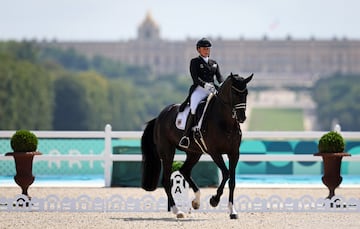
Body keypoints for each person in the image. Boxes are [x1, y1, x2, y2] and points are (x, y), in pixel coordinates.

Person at [179, 37, 224, 148]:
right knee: (194, 108)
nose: (207, 50)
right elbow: (195, 78)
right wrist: (205, 85)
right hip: (199, 89)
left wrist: (222, 85)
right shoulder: (194, 62)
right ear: (198, 49)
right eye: (204, 48)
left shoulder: (214, 63)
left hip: (212, 89)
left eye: (208, 48)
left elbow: (219, 77)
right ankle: (186, 136)